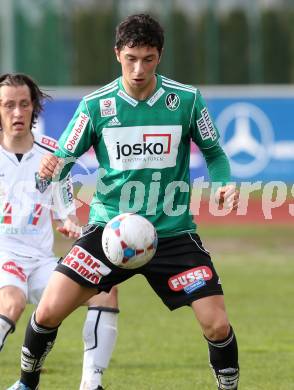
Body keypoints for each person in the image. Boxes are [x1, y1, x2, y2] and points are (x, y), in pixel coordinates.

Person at [9, 13, 240, 390]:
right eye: (131, 58)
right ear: (118, 54)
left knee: (216, 323)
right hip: (108, 232)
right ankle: (25, 383)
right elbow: (59, 166)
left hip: (172, 234)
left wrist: (225, 184)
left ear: (159, 56)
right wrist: (47, 170)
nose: (138, 69)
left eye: (147, 59)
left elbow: (215, 153)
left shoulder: (185, 100)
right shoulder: (95, 107)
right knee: (49, 311)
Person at [0, 73, 119, 390]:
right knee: (10, 302)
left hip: (40, 261)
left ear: (34, 107)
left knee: (105, 291)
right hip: (3, 255)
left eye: (24, 104)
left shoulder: (52, 152)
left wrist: (69, 223)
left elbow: (64, 208)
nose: (17, 113)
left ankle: (90, 385)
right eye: (8, 105)